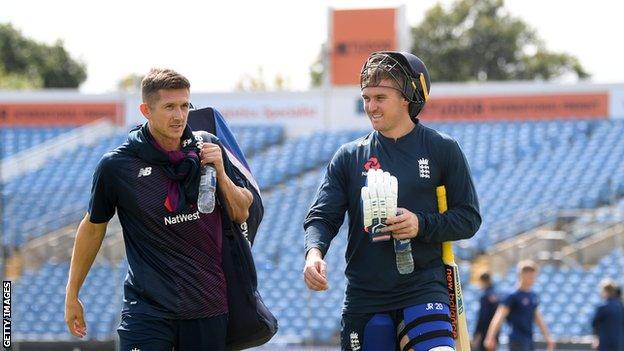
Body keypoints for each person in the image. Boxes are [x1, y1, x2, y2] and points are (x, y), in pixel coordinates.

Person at [303, 51, 481, 351]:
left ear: (407, 98)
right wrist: (314, 254)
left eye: (380, 97)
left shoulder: (443, 149)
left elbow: (468, 218)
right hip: (365, 296)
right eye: (366, 97)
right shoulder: (348, 156)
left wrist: (419, 224)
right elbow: (322, 216)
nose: (371, 106)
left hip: (424, 288)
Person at [64, 68, 254, 350]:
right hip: (146, 311)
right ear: (146, 110)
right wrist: (72, 292)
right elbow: (93, 227)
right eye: (169, 107)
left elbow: (242, 212)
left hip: (207, 306)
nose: (179, 116)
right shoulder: (117, 166)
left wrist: (222, 174)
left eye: (184, 106)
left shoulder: (210, 149)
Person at [484, 260, 555, 351]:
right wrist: (490, 336)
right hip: (516, 339)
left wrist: (548, 337)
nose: (532, 279)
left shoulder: (533, 296)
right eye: (530, 276)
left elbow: (538, 318)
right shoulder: (512, 295)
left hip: (529, 339)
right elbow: (499, 316)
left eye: (533, 276)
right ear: (521, 275)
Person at [591, 279, 624, 351]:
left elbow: (595, 325)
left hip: (605, 345)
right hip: (619, 344)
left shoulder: (603, 307)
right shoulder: (621, 307)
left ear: (606, 291)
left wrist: (596, 339)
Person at [472, 272, 499, 351]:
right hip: (495, 332)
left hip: (485, 333)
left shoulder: (485, 296)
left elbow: (483, 317)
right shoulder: (496, 295)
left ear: (483, 281)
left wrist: (477, 333)